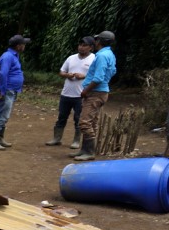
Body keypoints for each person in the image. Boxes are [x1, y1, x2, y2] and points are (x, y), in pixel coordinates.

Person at [72, 30, 117, 161]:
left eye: (97, 40)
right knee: (92, 122)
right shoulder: (110, 54)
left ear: (100, 42)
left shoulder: (102, 56)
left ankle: (89, 152)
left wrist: (86, 91)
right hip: (102, 92)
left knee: (85, 123)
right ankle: (84, 150)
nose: (95, 42)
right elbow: (113, 71)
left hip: (95, 93)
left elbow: (98, 78)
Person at [45, 36, 95, 147]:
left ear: (91, 47)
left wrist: (84, 76)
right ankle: (56, 138)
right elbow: (61, 72)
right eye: (80, 45)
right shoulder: (71, 58)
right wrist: (67, 75)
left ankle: (76, 141)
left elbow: (97, 77)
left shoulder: (94, 59)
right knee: (61, 117)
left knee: (78, 119)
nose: (81, 47)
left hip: (81, 94)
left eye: (84, 45)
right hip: (66, 93)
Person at [0, 34, 29, 150]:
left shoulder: (14, 56)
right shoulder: (8, 56)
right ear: (18, 46)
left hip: (12, 90)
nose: (24, 46)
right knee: (1, 115)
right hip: (7, 90)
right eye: (23, 44)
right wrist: (2, 90)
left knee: (5, 116)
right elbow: (3, 73)